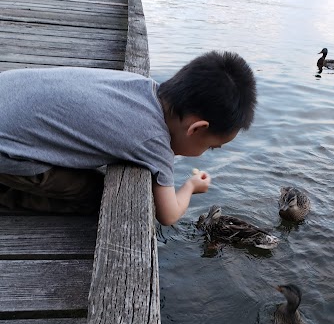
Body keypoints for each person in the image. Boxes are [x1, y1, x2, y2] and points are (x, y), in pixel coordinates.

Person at [0, 51, 257, 224]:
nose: (205, 152)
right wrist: (190, 186)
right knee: (99, 195)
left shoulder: (141, 85)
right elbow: (168, 215)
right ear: (195, 129)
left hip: (8, 90)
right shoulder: (154, 142)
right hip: (6, 148)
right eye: (210, 147)